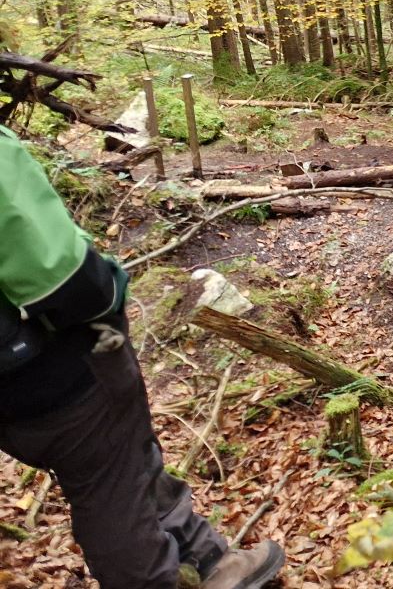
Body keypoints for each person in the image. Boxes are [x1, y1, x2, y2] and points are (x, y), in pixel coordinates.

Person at [0, 127, 285, 589]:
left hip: (17, 389)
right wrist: (110, 290)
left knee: (129, 457)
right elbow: (67, 281)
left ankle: (210, 559)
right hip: (47, 367)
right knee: (110, 485)